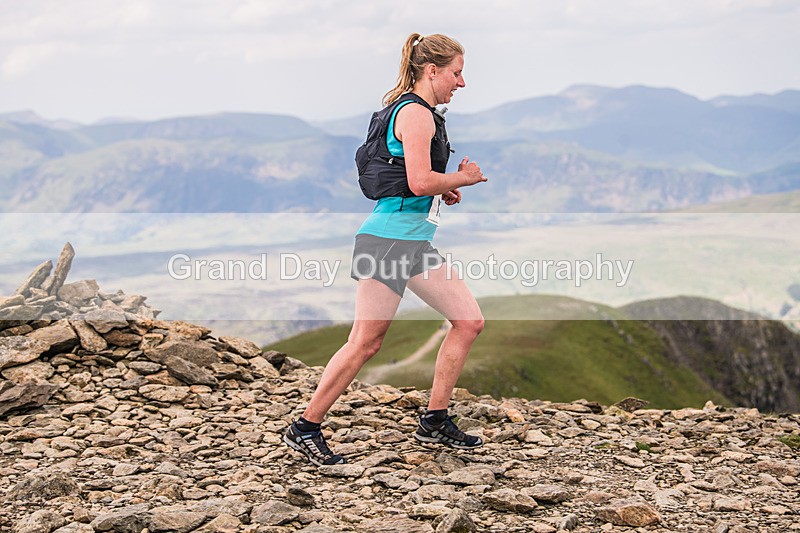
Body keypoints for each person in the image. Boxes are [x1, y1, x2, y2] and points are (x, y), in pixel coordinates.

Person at [284, 33, 487, 466]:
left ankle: (434, 420)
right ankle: (305, 428)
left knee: (468, 322)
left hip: (412, 239)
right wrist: (460, 180)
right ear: (433, 71)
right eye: (457, 72)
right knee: (366, 342)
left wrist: (443, 191)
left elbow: (413, 184)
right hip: (389, 241)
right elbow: (418, 181)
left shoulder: (418, 112)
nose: (462, 82)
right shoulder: (416, 116)